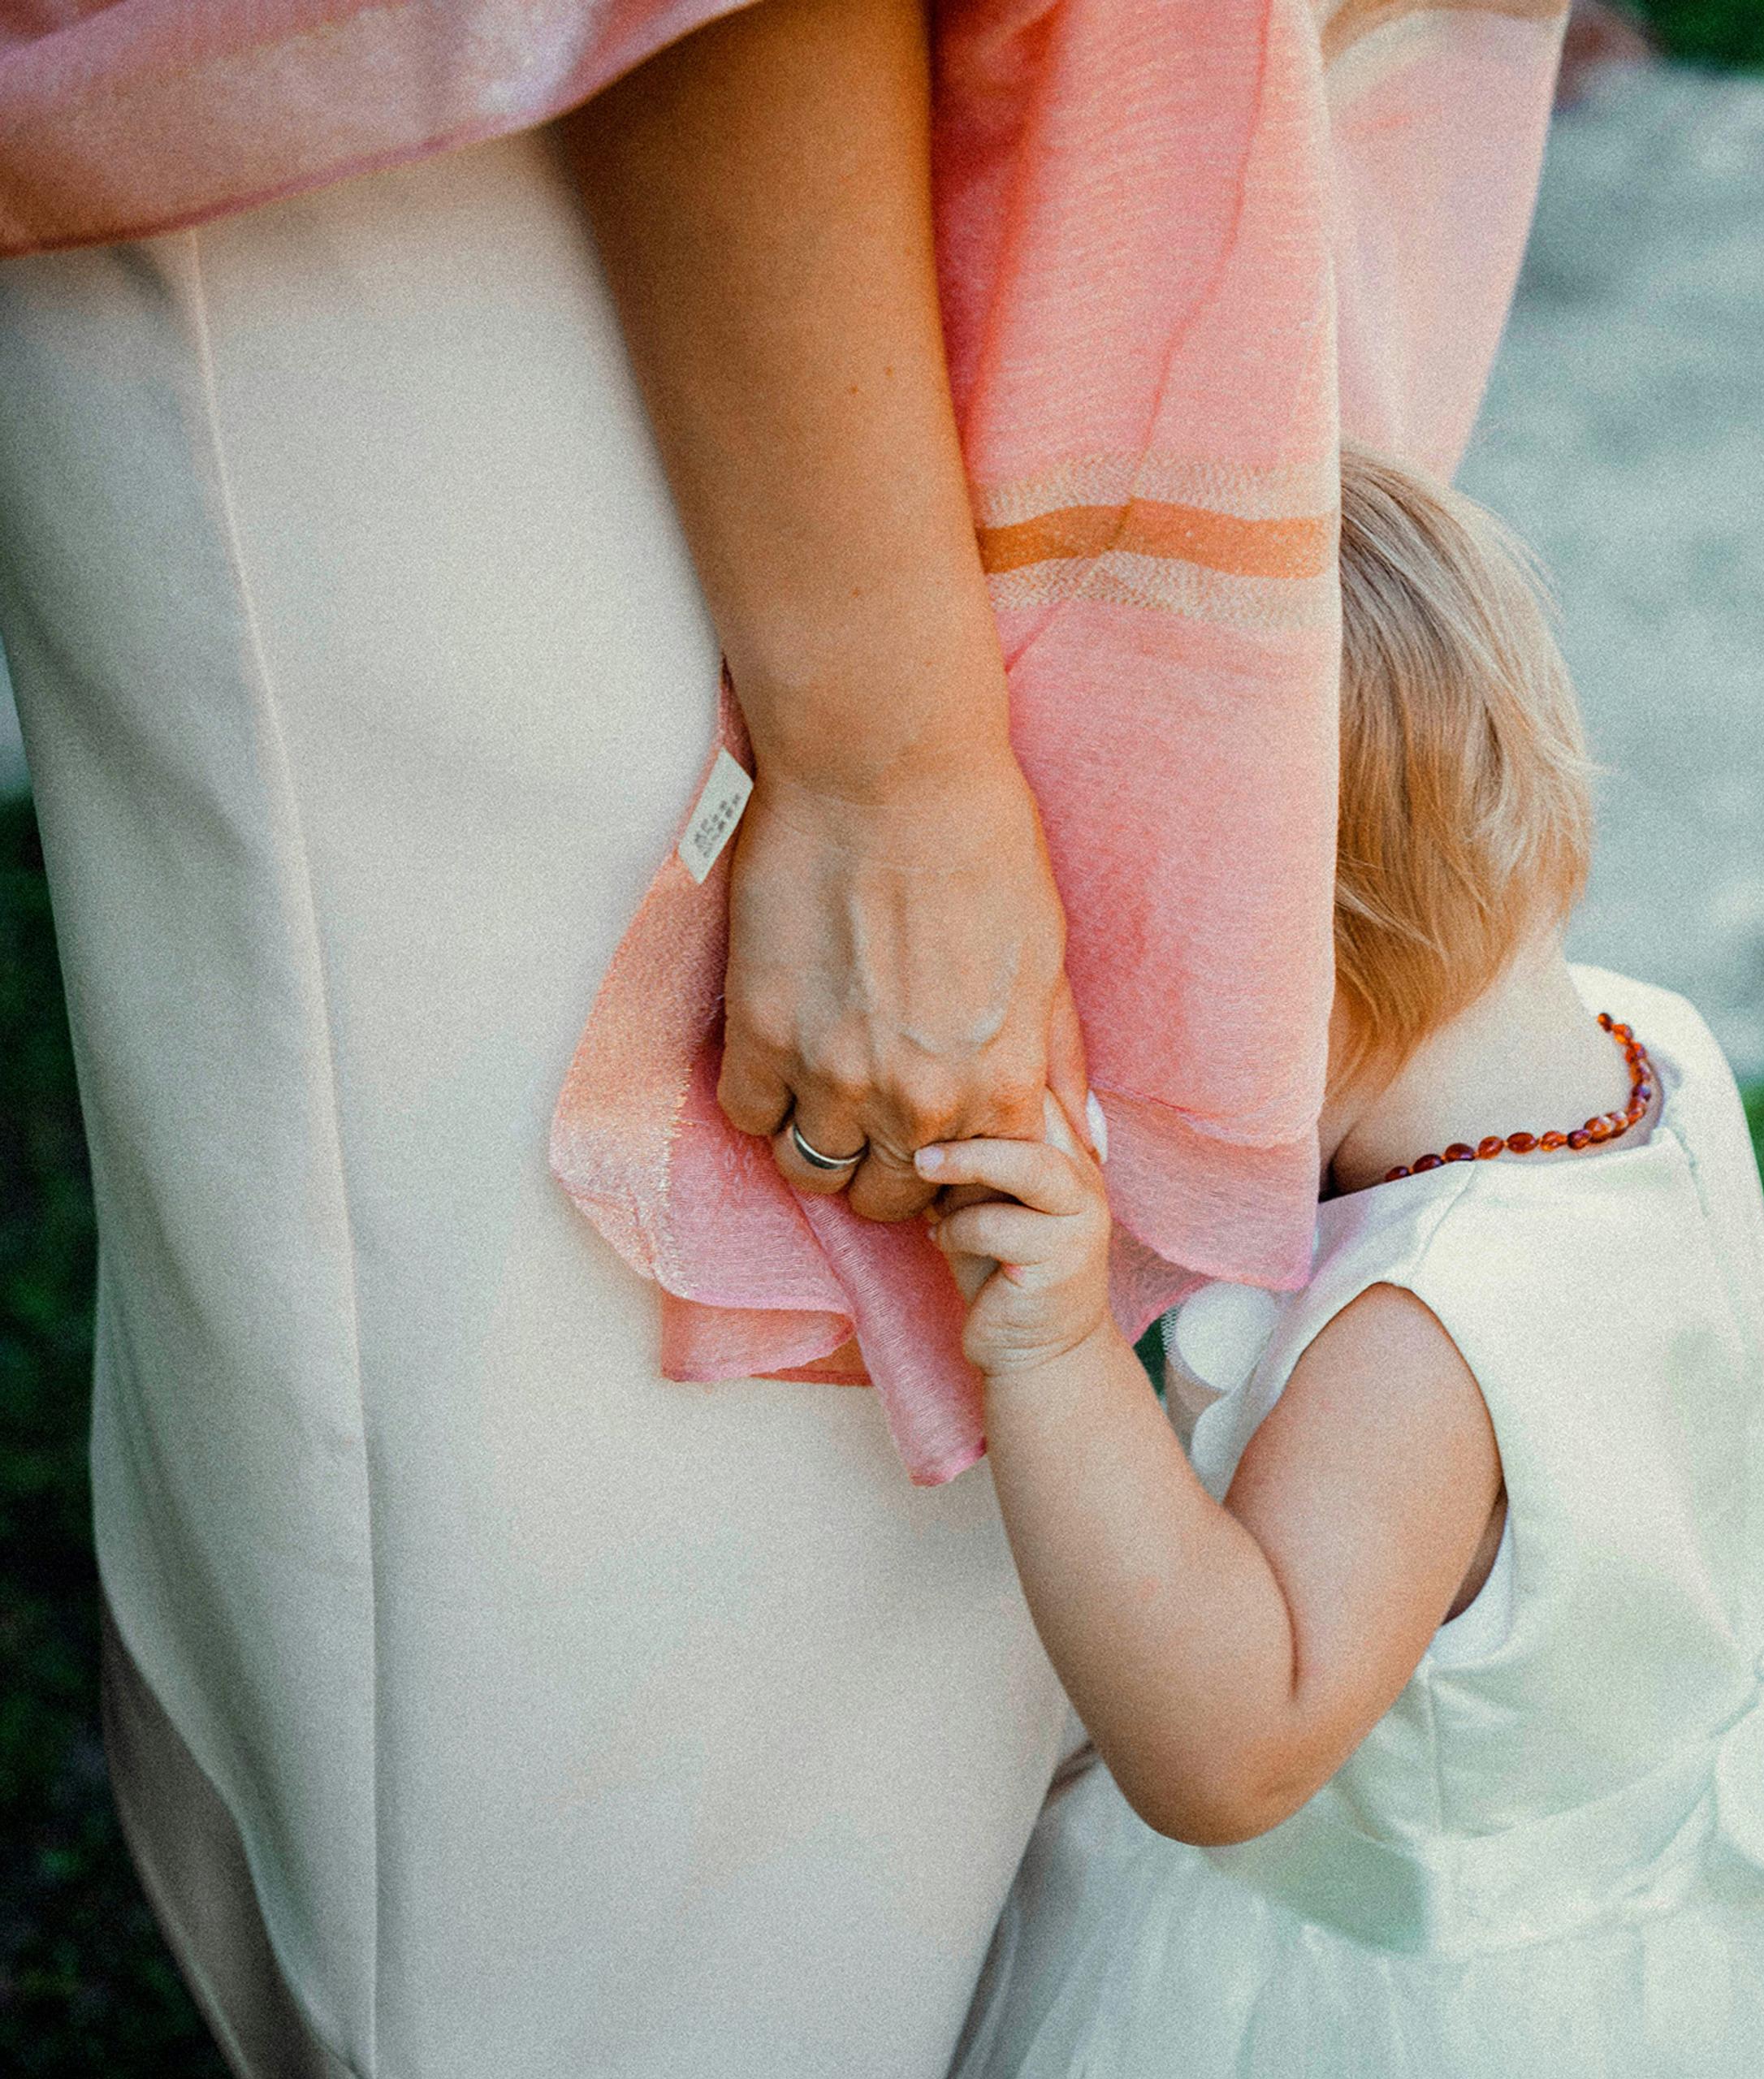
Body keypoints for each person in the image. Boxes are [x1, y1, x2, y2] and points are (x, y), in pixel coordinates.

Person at [0, 0, 1560, 2067]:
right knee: (589, 1719)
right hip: (548, 152)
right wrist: (884, 754)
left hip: (1131, 135)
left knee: (845, 1693)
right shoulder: (1583, 1158)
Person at [920, 447, 1764, 2077]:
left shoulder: (1417, 1340)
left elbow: (1228, 1751)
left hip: (1402, 1993)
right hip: (1674, 1919)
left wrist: (1053, 1353)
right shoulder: (1653, 1053)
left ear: (1260, 968)